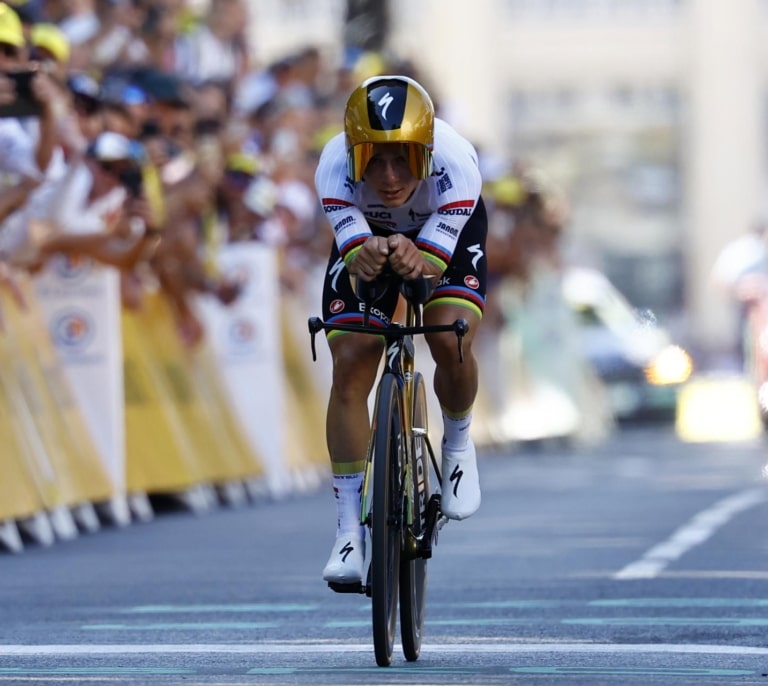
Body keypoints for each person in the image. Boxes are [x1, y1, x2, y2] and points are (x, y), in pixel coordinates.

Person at [313, 74, 487, 584]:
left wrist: (419, 258)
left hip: (444, 226)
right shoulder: (332, 169)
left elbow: (428, 267)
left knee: (448, 336)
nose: (389, 177)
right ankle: (348, 531)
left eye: (404, 159)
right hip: (368, 230)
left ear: (427, 152)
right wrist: (362, 249)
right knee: (351, 363)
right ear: (353, 156)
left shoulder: (458, 167)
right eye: (374, 160)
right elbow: (356, 255)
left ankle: (458, 445)